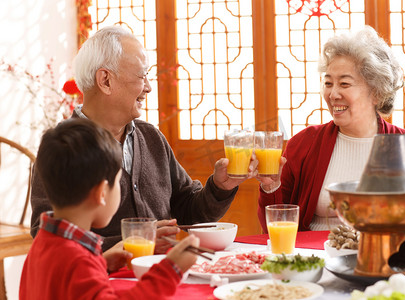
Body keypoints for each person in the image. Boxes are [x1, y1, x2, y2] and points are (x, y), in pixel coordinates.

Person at [30, 26, 257, 252]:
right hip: (101, 282)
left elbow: (188, 211)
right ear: (105, 80)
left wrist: (220, 187)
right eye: (142, 76)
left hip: (159, 277)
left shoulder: (150, 137)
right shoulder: (62, 148)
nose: (148, 87)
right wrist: (134, 243)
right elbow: (47, 237)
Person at [256, 26, 405, 233]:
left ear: (376, 93)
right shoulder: (303, 144)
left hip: (382, 257)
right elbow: (274, 227)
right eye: (328, 83)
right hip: (314, 257)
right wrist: (270, 187)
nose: (333, 94)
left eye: (344, 84)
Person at [20, 118, 200, 299]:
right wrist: (171, 270)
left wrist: (100, 263)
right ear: (101, 193)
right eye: (117, 183)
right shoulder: (78, 261)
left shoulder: (44, 243)